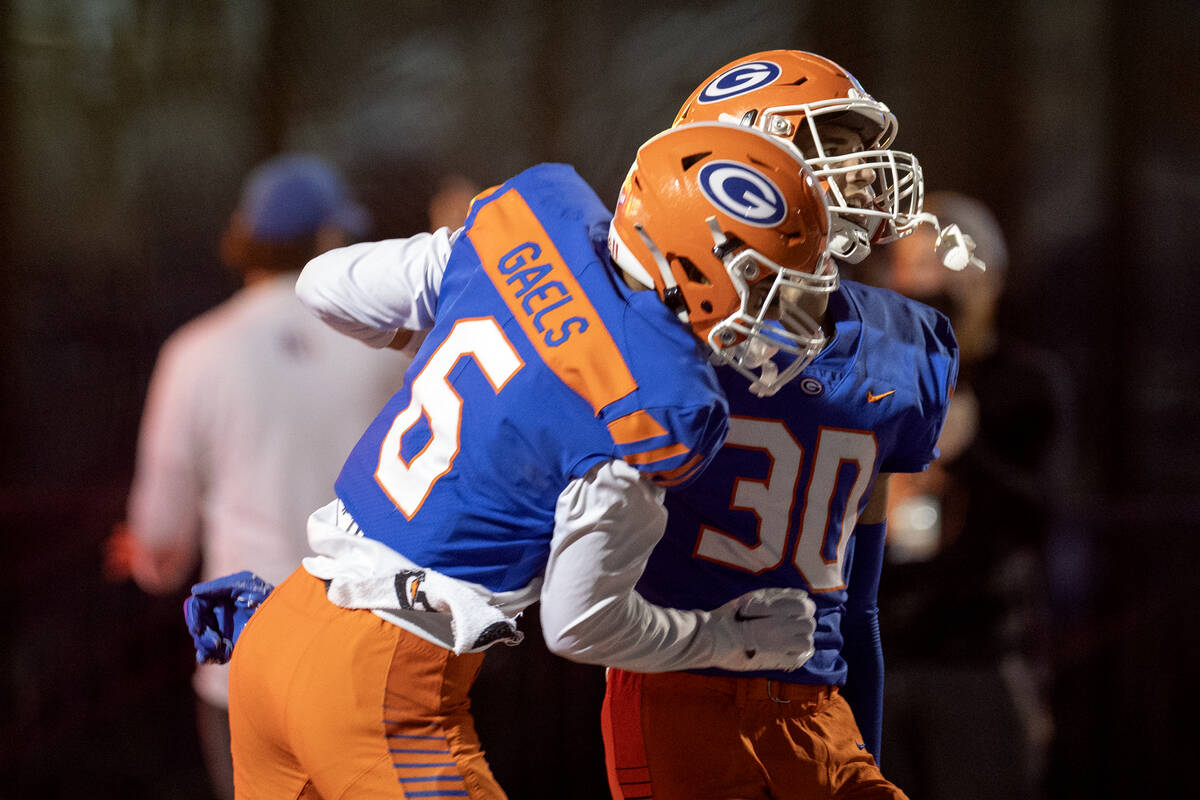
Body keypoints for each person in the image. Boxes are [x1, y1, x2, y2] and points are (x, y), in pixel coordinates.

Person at [190, 121, 841, 799]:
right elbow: (580, 623)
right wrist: (725, 639)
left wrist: (491, 336)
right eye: (768, 279)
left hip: (278, 632)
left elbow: (322, 284)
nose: (787, 309)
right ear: (699, 263)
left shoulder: (525, 238)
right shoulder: (650, 400)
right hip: (377, 682)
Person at [601, 50, 967, 800]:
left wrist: (859, 742)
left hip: (815, 707)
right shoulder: (654, 330)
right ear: (744, 161)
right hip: (679, 692)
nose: (863, 172)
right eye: (834, 146)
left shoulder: (901, 344)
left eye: (861, 150)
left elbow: (856, 602)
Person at [110, 153, 415, 800]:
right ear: (331, 241)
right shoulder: (395, 348)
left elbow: (161, 541)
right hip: (377, 664)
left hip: (253, 671)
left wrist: (147, 560)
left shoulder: (195, 353)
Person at [866, 191, 1069, 800]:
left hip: (973, 658)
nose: (937, 288)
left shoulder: (1023, 385)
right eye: (919, 266)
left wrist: (970, 450)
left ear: (993, 279)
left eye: (954, 267)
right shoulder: (865, 375)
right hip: (872, 654)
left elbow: (1043, 514)